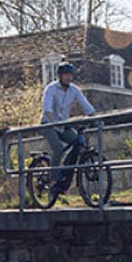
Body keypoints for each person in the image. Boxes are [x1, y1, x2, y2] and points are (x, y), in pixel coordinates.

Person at [40, 62, 96, 193]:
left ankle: (65, 169)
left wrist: (95, 118)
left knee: (77, 141)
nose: (68, 78)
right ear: (60, 76)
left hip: (63, 124)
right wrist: (55, 123)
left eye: (70, 75)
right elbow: (47, 110)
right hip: (48, 123)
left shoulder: (74, 90)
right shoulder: (51, 89)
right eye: (65, 75)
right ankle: (53, 180)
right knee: (58, 148)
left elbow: (86, 106)